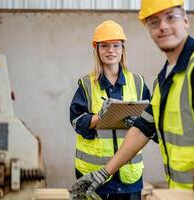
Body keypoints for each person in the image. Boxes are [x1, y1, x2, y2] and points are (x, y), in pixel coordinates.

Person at [72, 0, 194, 196]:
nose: (163, 26)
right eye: (154, 21)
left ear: (185, 20)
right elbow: (143, 128)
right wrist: (104, 172)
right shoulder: (164, 79)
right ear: (149, 29)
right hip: (186, 193)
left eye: (170, 17)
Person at [69, 20, 151, 200]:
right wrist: (100, 117)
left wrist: (137, 122)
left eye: (116, 45)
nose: (111, 50)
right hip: (96, 175)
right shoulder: (86, 85)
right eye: (104, 46)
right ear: (97, 49)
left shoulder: (138, 83)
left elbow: (151, 122)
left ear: (123, 49)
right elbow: (76, 121)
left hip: (129, 175)